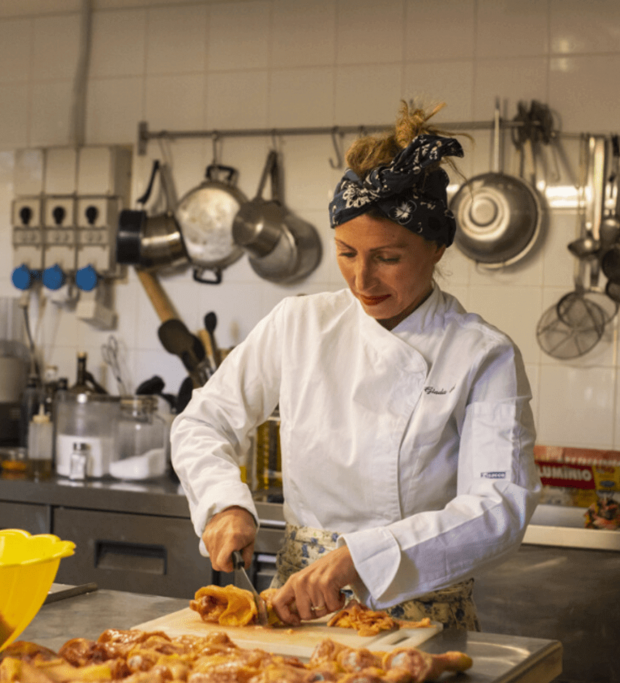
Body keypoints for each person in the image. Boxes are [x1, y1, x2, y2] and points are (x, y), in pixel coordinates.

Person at [171, 101, 540, 631]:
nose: (362, 281)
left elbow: (499, 506)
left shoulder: (482, 354)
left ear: (437, 247)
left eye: (388, 258)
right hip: (296, 610)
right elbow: (203, 422)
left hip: (425, 616)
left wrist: (363, 558)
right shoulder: (299, 323)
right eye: (347, 253)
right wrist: (225, 505)